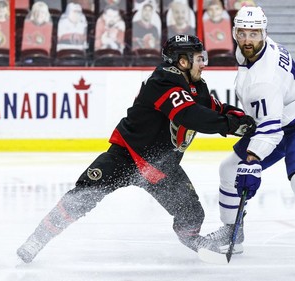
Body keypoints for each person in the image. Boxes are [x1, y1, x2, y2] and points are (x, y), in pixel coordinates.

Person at [16, 34, 256, 263]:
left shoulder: (196, 86)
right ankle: (36, 240)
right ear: (183, 61)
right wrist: (232, 127)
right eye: (199, 58)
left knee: (193, 214)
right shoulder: (162, 81)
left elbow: (215, 108)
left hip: (161, 169)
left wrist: (242, 118)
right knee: (82, 195)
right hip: (126, 157)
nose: (203, 63)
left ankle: (194, 241)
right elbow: (189, 115)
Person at [204, 6, 295, 276]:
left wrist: (252, 161)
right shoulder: (254, 49)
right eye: (242, 32)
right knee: (228, 170)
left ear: (265, 32)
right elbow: (266, 119)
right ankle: (232, 234)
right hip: (275, 119)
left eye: (254, 33)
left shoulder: (265, 80)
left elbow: (270, 130)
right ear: (234, 32)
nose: (248, 39)